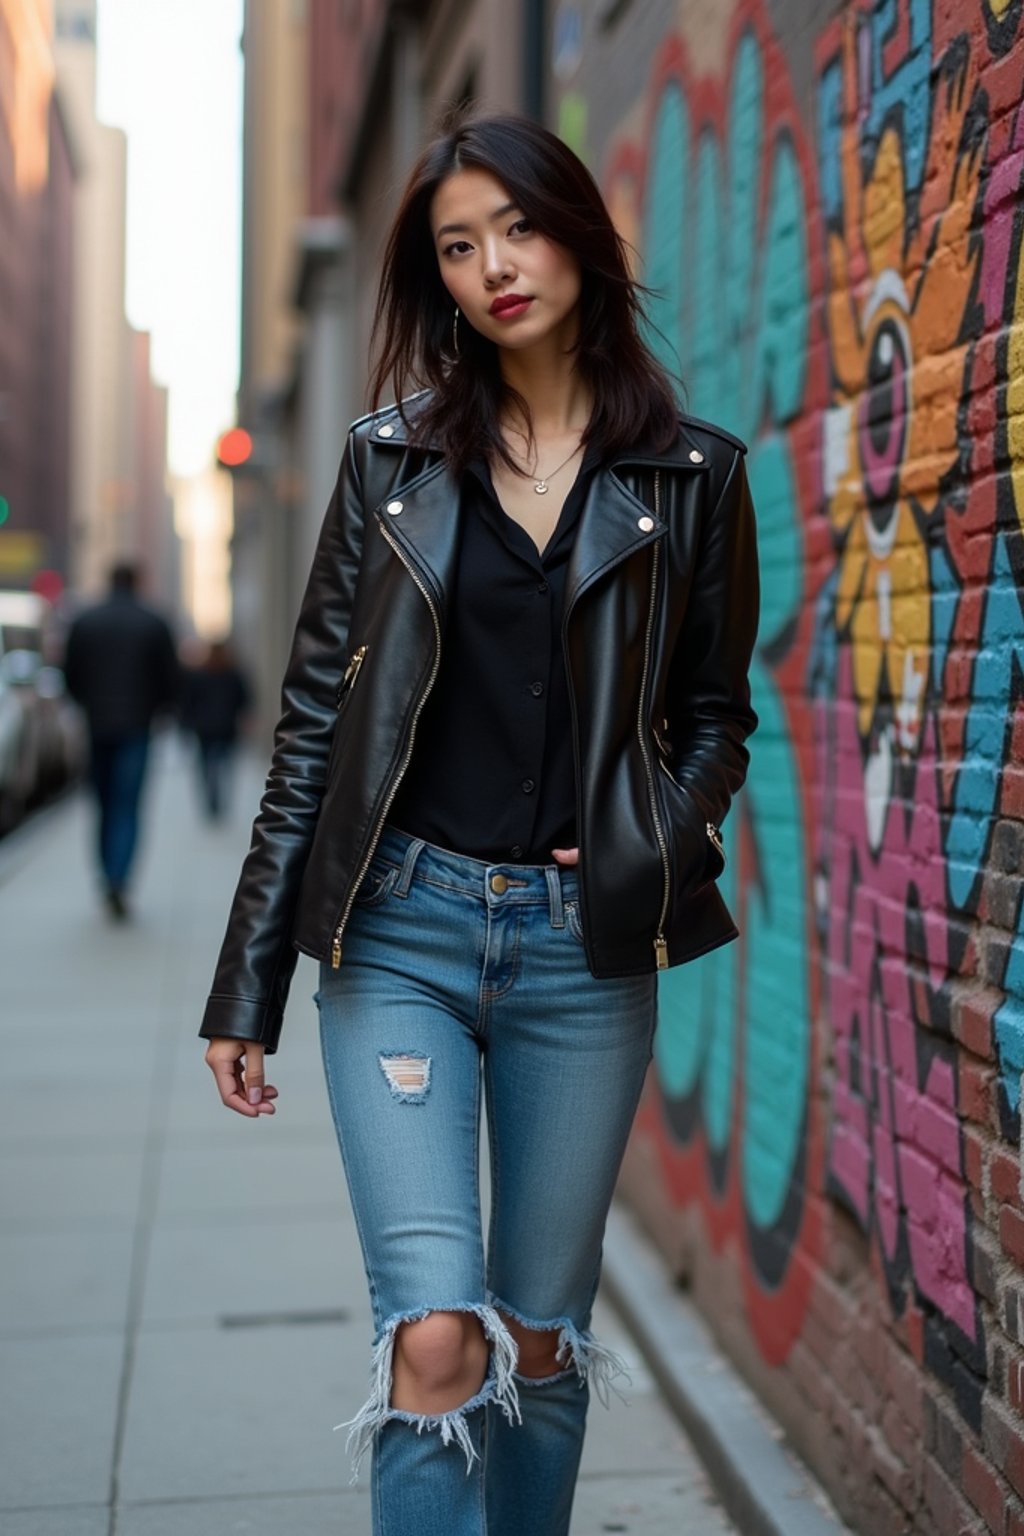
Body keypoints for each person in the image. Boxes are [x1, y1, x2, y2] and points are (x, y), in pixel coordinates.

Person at [199, 110, 759, 1536]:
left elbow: (715, 719)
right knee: (437, 1335)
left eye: (515, 227)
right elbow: (317, 722)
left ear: (575, 231)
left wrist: (655, 838)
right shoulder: (390, 465)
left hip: (584, 956)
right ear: (434, 279)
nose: (493, 265)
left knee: (539, 1335)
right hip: (402, 933)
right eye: (458, 246)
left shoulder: (695, 478)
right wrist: (248, 979)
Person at [64, 560, 180, 919]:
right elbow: (171, 678)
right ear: (137, 582)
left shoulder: (86, 621)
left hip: (97, 723)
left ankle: (107, 876)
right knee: (127, 805)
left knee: (102, 803)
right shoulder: (153, 622)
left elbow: (70, 674)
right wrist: (158, 710)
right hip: (136, 725)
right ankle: (119, 878)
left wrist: (86, 705)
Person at [180, 638, 251, 820]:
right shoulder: (234, 674)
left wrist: (187, 723)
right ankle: (219, 798)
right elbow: (244, 699)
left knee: (206, 765)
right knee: (225, 765)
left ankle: (212, 799)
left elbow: (188, 702)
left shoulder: (200, 674)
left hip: (205, 728)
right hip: (226, 727)